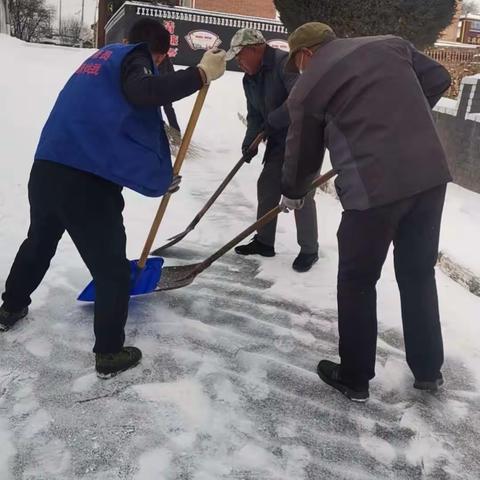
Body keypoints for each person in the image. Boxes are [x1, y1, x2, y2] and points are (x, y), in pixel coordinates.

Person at [0, 18, 226, 379]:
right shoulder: (134, 60)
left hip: (47, 169)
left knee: (39, 242)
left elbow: (115, 135)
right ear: (155, 52)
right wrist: (199, 75)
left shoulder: (98, 64)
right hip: (85, 186)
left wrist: (157, 178)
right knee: (112, 271)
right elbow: (145, 94)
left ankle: (10, 308)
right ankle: (109, 353)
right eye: (163, 59)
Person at [280, 23, 452, 402]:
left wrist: (292, 192)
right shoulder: (391, 44)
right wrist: (402, 121)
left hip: (373, 188)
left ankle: (355, 376)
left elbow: (302, 153)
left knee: (357, 280)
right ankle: (428, 371)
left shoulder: (308, 86)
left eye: (298, 63)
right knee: (418, 273)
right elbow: (439, 77)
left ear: (305, 54)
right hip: (429, 176)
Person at [227, 28, 320, 273]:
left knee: (300, 191)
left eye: (240, 55)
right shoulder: (250, 79)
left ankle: (309, 249)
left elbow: (299, 99)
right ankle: (264, 242)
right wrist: (249, 143)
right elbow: (255, 115)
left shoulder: (283, 63)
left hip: (303, 136)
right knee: (267, 185)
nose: (238, 62)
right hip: (279, 140)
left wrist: (275, 119)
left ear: (256, 49)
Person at [158, 55, 182, 135]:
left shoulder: (164, 57)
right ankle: (173, 131)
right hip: (158, 86)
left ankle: (176, 132)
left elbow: (171, 72)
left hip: (164, 86)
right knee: (161, 109)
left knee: (168, 108)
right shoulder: (151, 57)